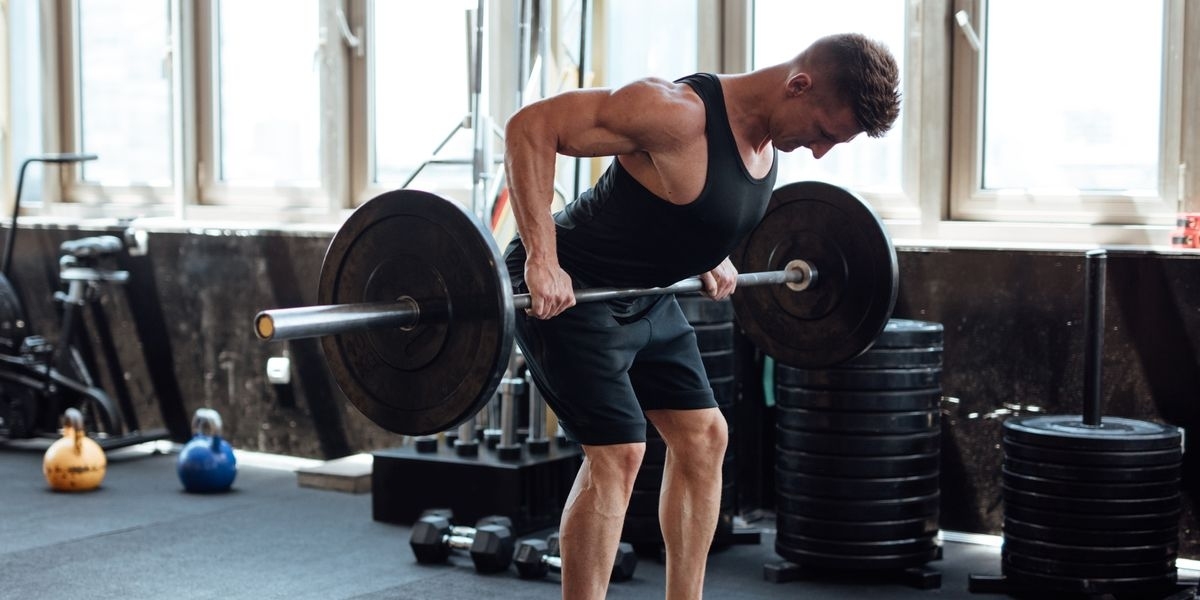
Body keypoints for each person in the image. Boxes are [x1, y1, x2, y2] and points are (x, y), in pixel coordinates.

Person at [502, 33, 901, 600]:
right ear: (798, 85)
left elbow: (683, 200)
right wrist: (542, 259)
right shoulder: (676, 113)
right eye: (822, 133)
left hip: (646, 294)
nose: (818, 152)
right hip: (574, 289)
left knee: (705, 437)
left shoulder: (765, 143)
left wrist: (707, 253)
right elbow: (530, 127)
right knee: (618, 454)